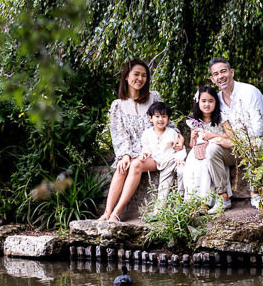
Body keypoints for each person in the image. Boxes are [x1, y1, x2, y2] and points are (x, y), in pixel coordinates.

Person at [100, 59, 183, 222]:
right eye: (136, 74)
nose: (140, 78)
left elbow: (168, 123)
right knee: (121, 167)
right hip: (132, 151)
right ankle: (106, 212)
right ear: (126, 77)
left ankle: (117, 212)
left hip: (155, 150)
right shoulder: (118, 105)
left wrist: (180, 137)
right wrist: (124, 155)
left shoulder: (154, 98)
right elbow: (119, 135)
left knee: (136, 164)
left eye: (144, 75)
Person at [207, 57, 263, 208]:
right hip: (236, 146)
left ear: (232, 72)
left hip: (258, 142)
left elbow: (258, 130)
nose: (220, 76)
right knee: (212, 150)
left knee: (257, 144)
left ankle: (256, 194)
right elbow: (226, 128)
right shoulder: (217, 100)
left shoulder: (250, 92)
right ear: (212, 79)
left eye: (223, 71)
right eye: (216, 74)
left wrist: (232, 142)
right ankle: (223, 198)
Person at [183, 86, 234, 212]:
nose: (207, 104)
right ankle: (195, 201)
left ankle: (206, 202)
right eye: (203, 101)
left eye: (210, 101)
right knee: (192, 168)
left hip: (216, 150)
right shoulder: (195, 121)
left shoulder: (221, 118)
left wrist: (213, 135)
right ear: (198, 102)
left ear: (216, 103)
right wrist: (193, 138)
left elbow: (231, 136)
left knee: (205, 166)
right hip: (198, 151)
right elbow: (191, 145)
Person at [139, 102, 187, 215]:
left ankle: (180, 201)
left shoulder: (172, 133)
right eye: (157, 116)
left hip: (173, 160)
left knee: (182, 172)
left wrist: (180, 158)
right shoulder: (147, 134)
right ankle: (159, 210)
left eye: (164, 116)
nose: (161, 119)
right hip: (161, 162)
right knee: (164, 183)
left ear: (169, 119)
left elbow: (180, 148)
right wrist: (144, 154)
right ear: (150, 118)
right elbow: (146, 148)